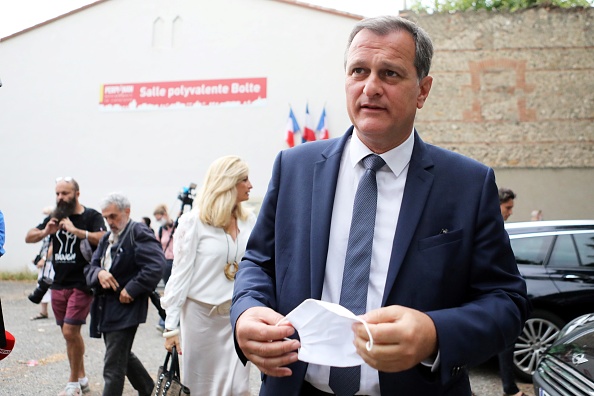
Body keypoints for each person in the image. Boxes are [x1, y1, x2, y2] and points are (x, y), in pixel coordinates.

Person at [231, 16, 529, 395]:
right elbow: (259, 262)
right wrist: (246, 312)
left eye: (390, 74)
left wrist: (435, 334)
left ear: (423, 91)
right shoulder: (295, 167)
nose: (370, 87)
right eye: (359, 71)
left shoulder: (467, 184)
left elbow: (506, 302)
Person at [161, 155, 255, 396]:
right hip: (201, 318)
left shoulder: (249, 220)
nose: (250, 185)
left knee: (239, 387)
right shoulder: (194, 222)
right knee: (202, 388)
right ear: (227, 184)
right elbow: (179, 275)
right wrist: (171, 326)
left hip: (237, 317)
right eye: (244, 179)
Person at [25, 177, 106, 396]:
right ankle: (82, 377)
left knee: (71, 330)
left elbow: (104, 238)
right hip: (58, 283)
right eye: (58, 193)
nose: (60, 198)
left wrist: (77, 231)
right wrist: (45, 232)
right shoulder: (55, 216)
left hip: (82, 282)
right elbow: (28, 237)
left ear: (77, 194)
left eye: (65, 193)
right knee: (69, 334)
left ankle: (73, 384)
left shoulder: (90, 216)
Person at [84, 193, 165, 396]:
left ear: (126, 211)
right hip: (106, 308)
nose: (109, 222)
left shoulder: (137, 232)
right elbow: (91, 268)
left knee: (112, 367)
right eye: (106, 217)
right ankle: (149, 390)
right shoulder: (106, 238)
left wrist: (133, 288)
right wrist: (99, 273)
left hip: (125, 308)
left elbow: (156, 265)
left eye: (113, 216)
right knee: (122, 356)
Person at [496, 188, 526, 396]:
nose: (510, 212)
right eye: (508, 207)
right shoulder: (489, 228)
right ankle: (510, 388)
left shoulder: (500, 228)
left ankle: (509, 387)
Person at [153, 204, 175, 331]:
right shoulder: (160, 231)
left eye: (159, 218)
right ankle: (164, 320)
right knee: (169, 291)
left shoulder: (177, 227)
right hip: (166, 263)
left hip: (177, 262)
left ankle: (166, 320)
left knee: (173, 291)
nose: (159, 221)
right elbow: (157, 247)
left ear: (165, 215)